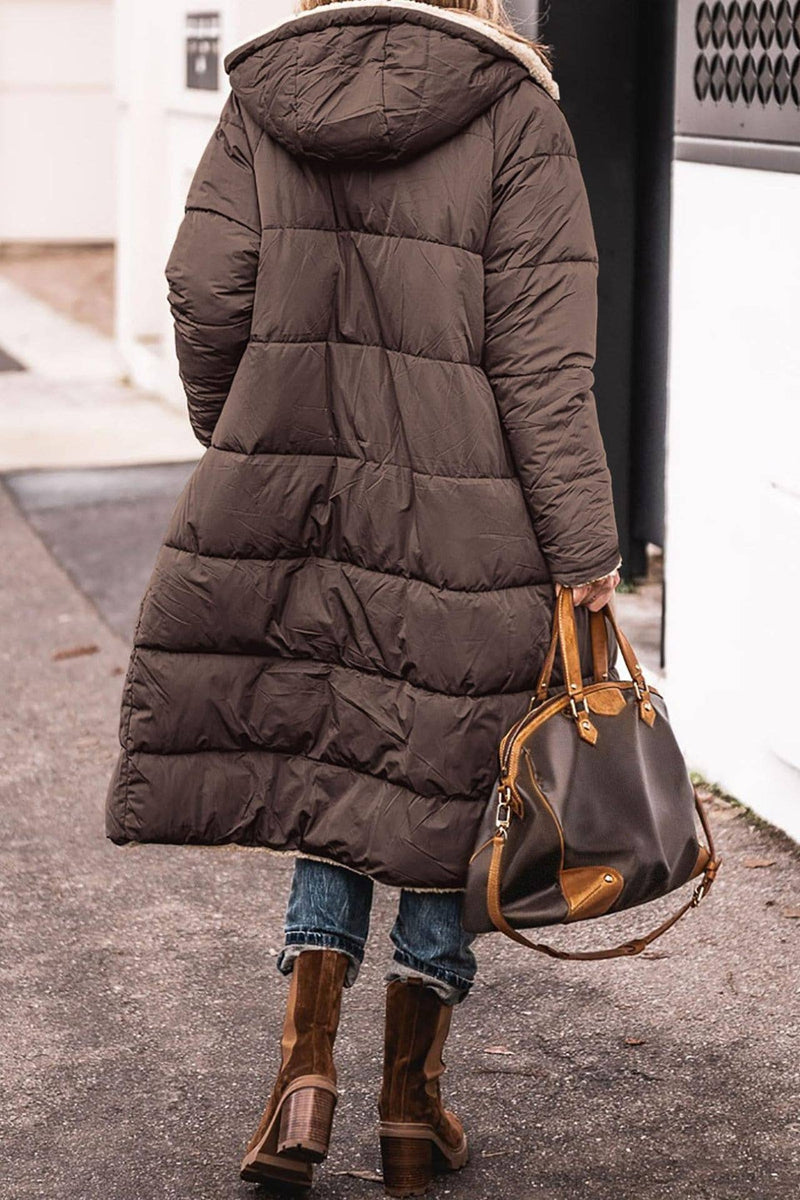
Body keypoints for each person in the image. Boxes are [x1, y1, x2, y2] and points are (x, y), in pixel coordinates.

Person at [106, 0, 621, 1194]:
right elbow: (541, 363)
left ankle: (302, 1078)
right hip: (465, 515)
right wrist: (584, 549)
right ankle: (406, 1100)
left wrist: (247, 434)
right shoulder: (512, 110)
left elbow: (203, 286)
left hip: (303, 496)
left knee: (328, 766)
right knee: (443, 777)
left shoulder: (266, 95)